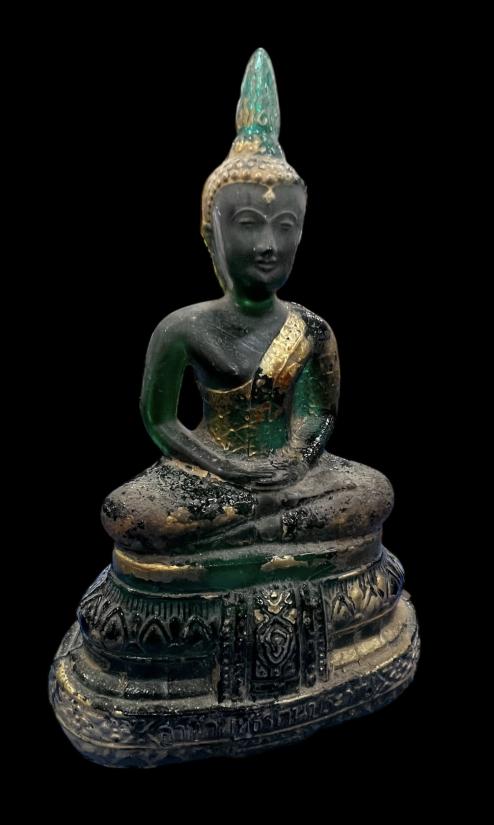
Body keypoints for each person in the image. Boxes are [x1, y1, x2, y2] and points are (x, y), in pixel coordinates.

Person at [101, 48, 393, 557]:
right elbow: (160, 420)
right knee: (132, 512)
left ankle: (248, 535)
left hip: (293, 479)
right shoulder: (182, 328)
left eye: (285, 226)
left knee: (371, 491)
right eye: (248, 225)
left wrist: (294, 463)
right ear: (210, 235)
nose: (268, 246)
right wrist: (226, 467)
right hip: (208, 475)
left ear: (301, 234)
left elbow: (319, 415)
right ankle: (270, 533)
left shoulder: (312, 330)